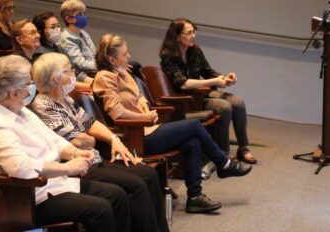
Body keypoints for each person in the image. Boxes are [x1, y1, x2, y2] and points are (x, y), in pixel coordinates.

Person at [93, 34, 252, 214]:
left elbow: (139, 96)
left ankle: (195, 198)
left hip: (147, 127)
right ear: (112, 60)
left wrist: (145, 107)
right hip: (135, 137)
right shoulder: (104, 77)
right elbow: (117, 113)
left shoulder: (123, 71)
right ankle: (224, 164)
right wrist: (144, 117)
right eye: (124, 54)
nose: (129, 56)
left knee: (193, 142)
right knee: (194, 126)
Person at [0, 55, 130, 232]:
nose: (32, 87)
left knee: (116, 195)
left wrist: (75, 153)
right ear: (14, 93)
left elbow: (54, 140)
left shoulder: (22, 111)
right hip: (31, 198)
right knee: (99, 209)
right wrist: (68, 168)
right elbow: (22, 168)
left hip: (56, 184)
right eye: (28, 83)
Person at [31, 52, 169, 232]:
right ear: (56, 78)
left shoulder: (65, 99)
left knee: (147, 174)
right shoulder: (44, 106)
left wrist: (113, 139)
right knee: (136, 185)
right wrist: (90, 139)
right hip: (77, 168)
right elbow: (80, 142)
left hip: (93, 159)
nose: (73, 74)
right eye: (69, 71)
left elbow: (90, 124)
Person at [160, 18, 257, 165]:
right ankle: (223, 153)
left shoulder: (195, 51)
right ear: (177, 36)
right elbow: (183, 84)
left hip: (201, 93)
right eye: (189, 33)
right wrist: (214, 82)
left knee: (238, 102)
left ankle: (243, 148)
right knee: (224, 107)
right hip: (186, 100)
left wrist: (225, 78)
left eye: (194, 32)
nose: (193, 35)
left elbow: (208, 72)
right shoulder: (168, 56)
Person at [32, 11, 94, 87]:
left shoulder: (59, 48)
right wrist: (91, 86)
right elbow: (59, 81)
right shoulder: (40, 54)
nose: (57, 29)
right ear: (40, 32)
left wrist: (93, 82)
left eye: (58, 26)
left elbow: (74, 70)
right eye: (53, 27)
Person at [58, 0, 97, 76]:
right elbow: (80, 63)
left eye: (84, 13)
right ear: (69, 19)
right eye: (79, 14)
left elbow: (94, 53)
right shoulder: (66, 38)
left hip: (94, 71)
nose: (83, 17)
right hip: (83, 75)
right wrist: (101, 66)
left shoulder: (83, 33)